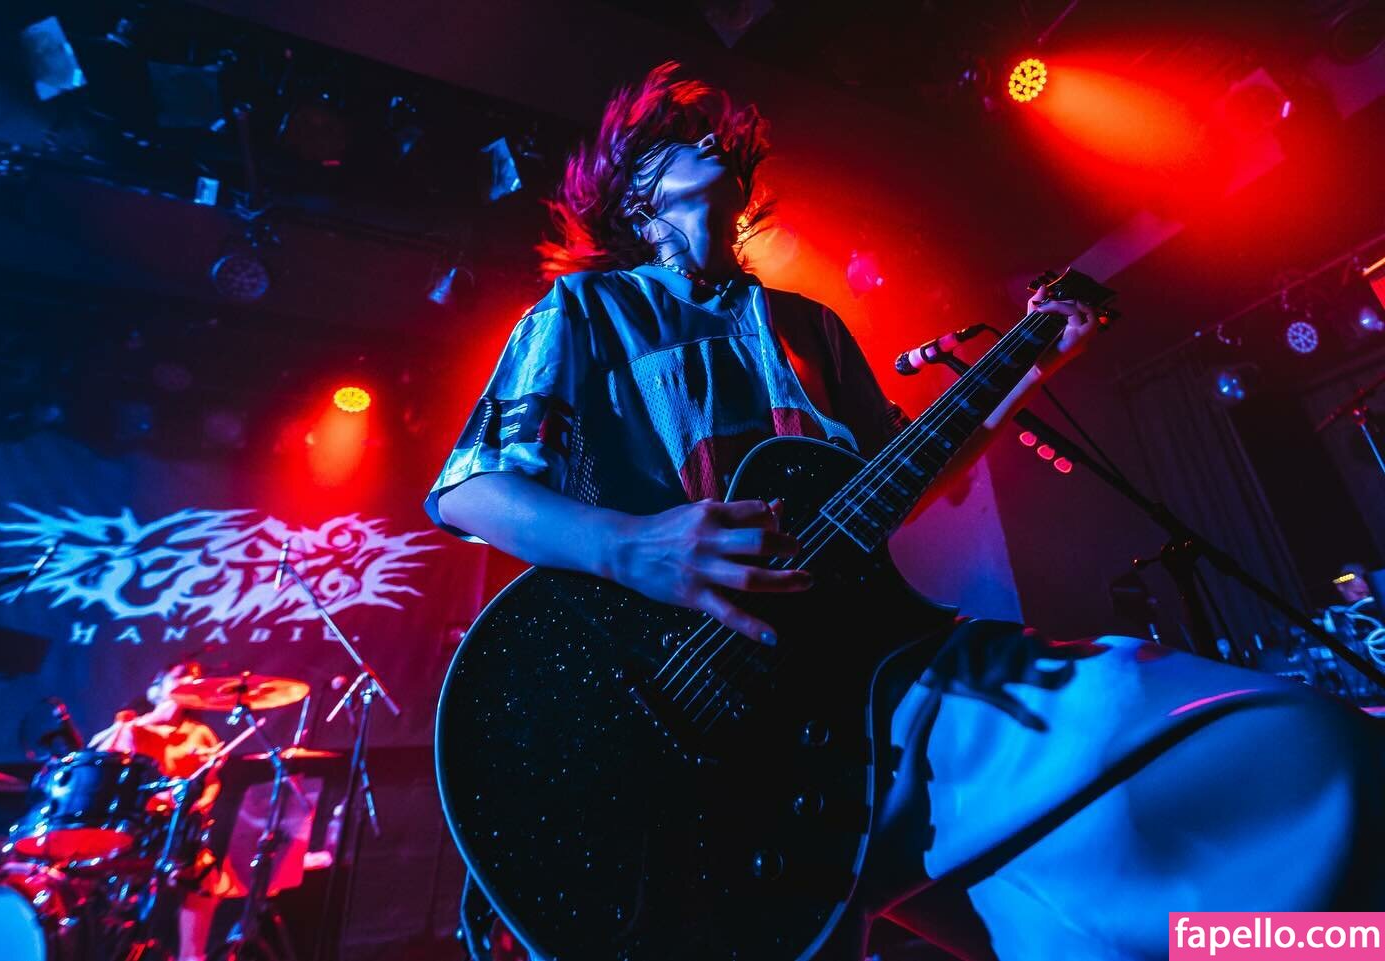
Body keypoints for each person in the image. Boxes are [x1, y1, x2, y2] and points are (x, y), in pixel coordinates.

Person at [427, 62, 1384, 960]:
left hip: (868, 670)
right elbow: (469, 485)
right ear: (632, 191)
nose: (711, 141)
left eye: (718, 136)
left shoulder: (810, 327)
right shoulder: (585, 310)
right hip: (701, 710)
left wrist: (1025, 365)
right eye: (679, 137)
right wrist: (634, 545)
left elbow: (899, 481)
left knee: (1258, 765)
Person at [90, 659, 240, 961]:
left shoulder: (200, 733)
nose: (190, 680)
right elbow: (100, 760)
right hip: (132, 828)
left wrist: (199, 803)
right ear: (156, 688)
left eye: (195, 677)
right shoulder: (131, 725)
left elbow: (212, 783)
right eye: (181, 675)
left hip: (175, 829)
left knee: (204, 874)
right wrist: (140, 723)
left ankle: (191, 955)